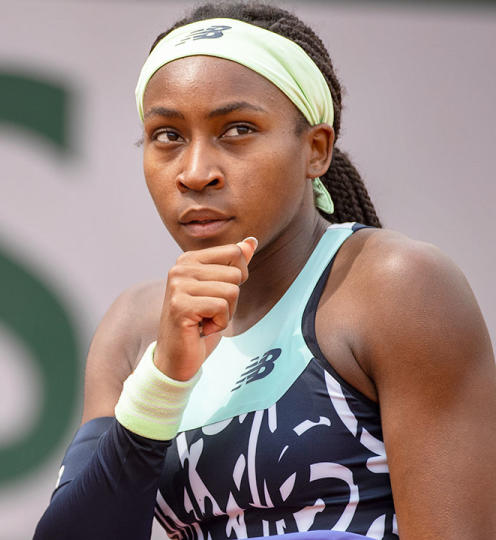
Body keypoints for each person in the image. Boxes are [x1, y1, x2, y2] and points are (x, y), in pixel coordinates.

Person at [34, 3, 496, 539]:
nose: (196, 172)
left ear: (315, 150)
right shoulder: (134, 328)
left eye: (237, 130)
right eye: (167, 135)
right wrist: (162, 382)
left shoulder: (396, 285)